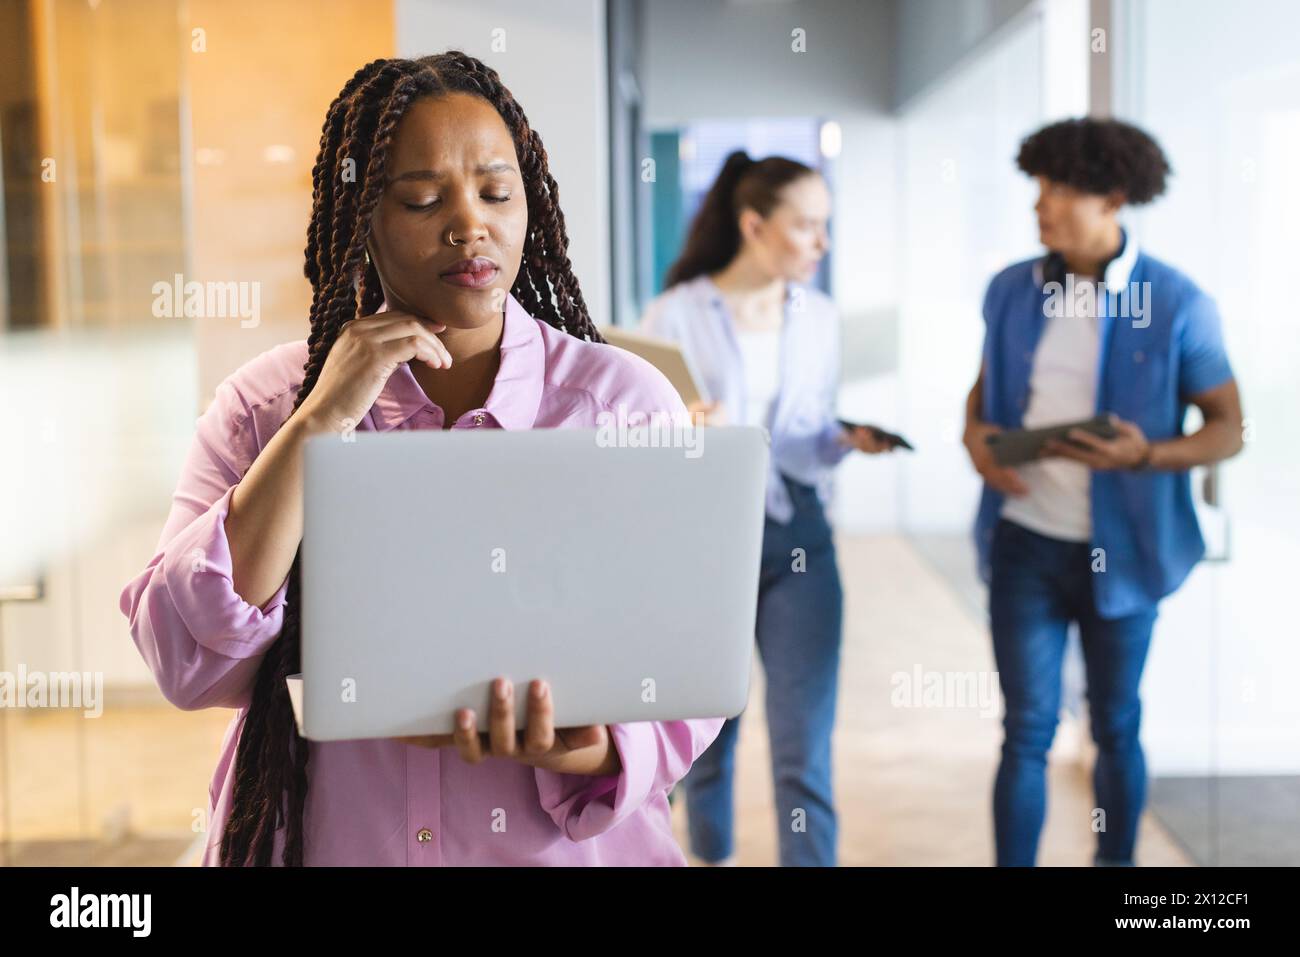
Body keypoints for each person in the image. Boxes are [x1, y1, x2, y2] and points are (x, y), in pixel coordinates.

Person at [119, 53, 723, 866]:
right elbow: (186, 663)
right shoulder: (263, 409)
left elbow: (685, 675)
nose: (470, 223)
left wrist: (582, 748)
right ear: (362, 211)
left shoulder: (621, 406)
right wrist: (323, 418)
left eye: (497, 192)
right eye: (422, 197)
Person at [963, 117, 1244, 867]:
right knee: (1026, 728)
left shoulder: (1181, 302)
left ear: (1114, 196)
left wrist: (1148, 452)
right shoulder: (1011, 289)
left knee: (1115, 722)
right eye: (1038, 187)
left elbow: (1227, 428)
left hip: (1126, 553)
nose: (1040, 206)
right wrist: (974, 441)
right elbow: (985, 392)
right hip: (1025, 539)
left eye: (1058, 190)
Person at [640, 151, 891, 867]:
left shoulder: (821, 318)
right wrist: (685, 426)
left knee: (803, 746)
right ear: (754, 225)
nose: (822, 242)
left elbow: (804, 438)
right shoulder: (675, 314)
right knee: (705, 739)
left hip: (800, 535)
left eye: (825, 225)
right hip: (705, 542)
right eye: (807, 225)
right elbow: (641, 441)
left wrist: (844, 439)